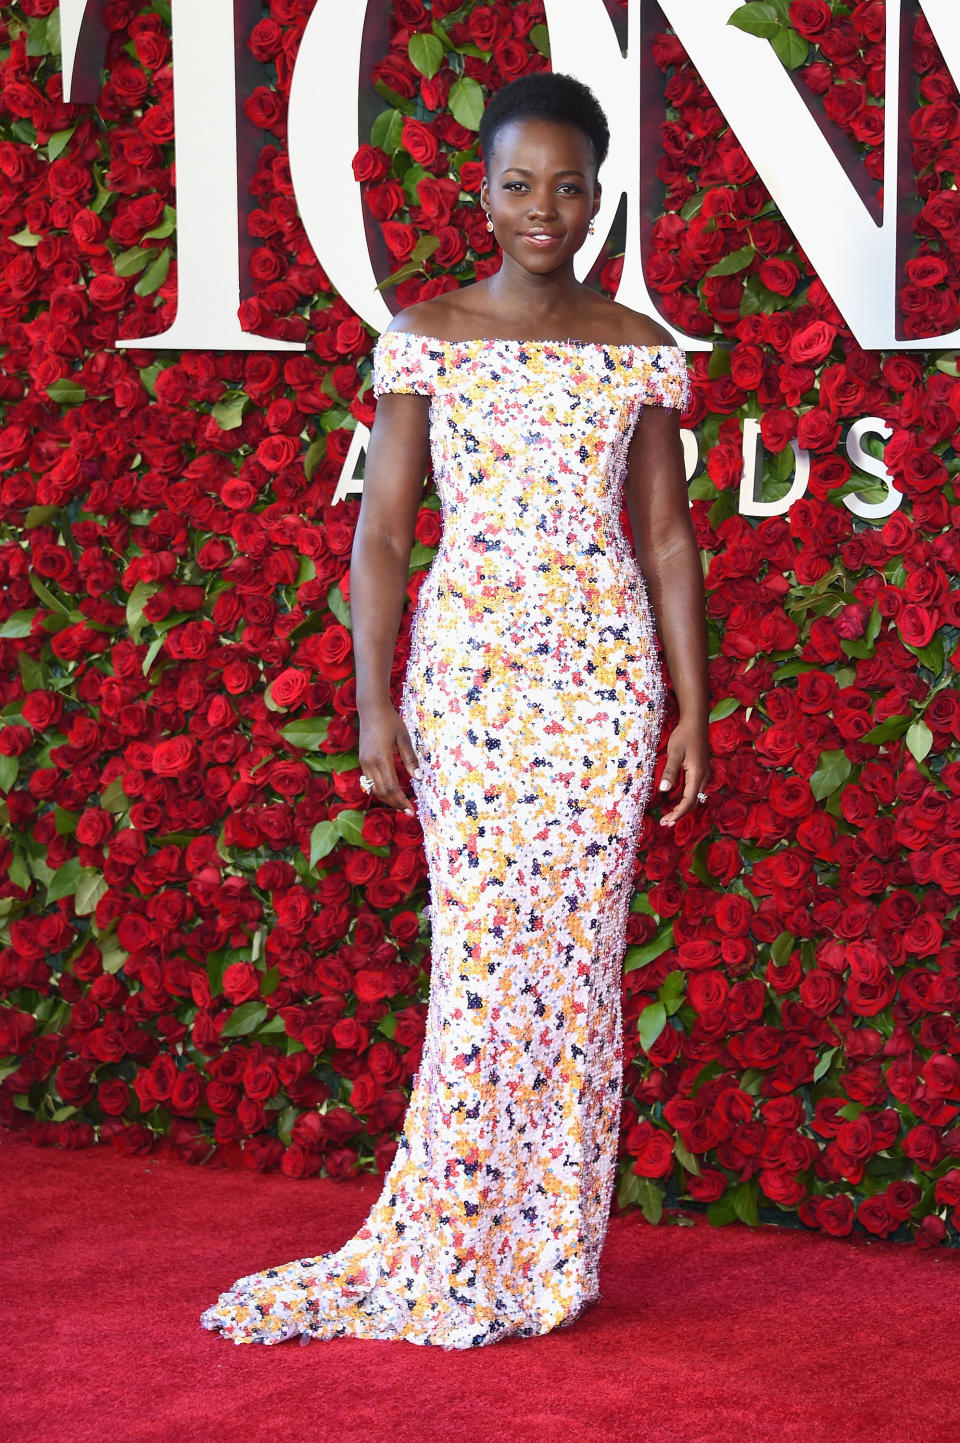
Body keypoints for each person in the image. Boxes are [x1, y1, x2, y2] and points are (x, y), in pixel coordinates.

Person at [200, 71, 710, 1351]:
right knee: (486, 972)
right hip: (472, 686)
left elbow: (664, 536)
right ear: (480, 195)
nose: (547, 207)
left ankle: (547, 1252)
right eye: (520, 184)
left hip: (601, 689)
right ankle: (449, 1234)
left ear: (604, 197)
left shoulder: (637, 349)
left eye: (572, 185)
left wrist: (692, 711)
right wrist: (373, 708)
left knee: (578, 974)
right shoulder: (426, 333)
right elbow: (381, 538)